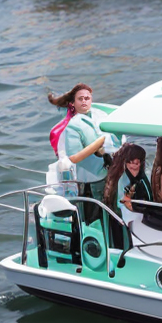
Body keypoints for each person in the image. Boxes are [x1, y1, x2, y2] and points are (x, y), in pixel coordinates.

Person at [47, 83, 114, 222]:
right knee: (94, 215)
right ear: (72, 103)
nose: (84, 101)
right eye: (80, 99)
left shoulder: (96, 115)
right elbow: (72, 158)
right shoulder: (68, 128)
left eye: (87, 98)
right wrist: (102, 142)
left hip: (101, 173)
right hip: (86, 177)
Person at [102, 143, 152, 225]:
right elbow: (124, 202)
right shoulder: (124, 179)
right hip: (129, 218)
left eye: (136, 163)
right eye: (130, 162)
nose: (133, 166)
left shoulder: (142, 176)